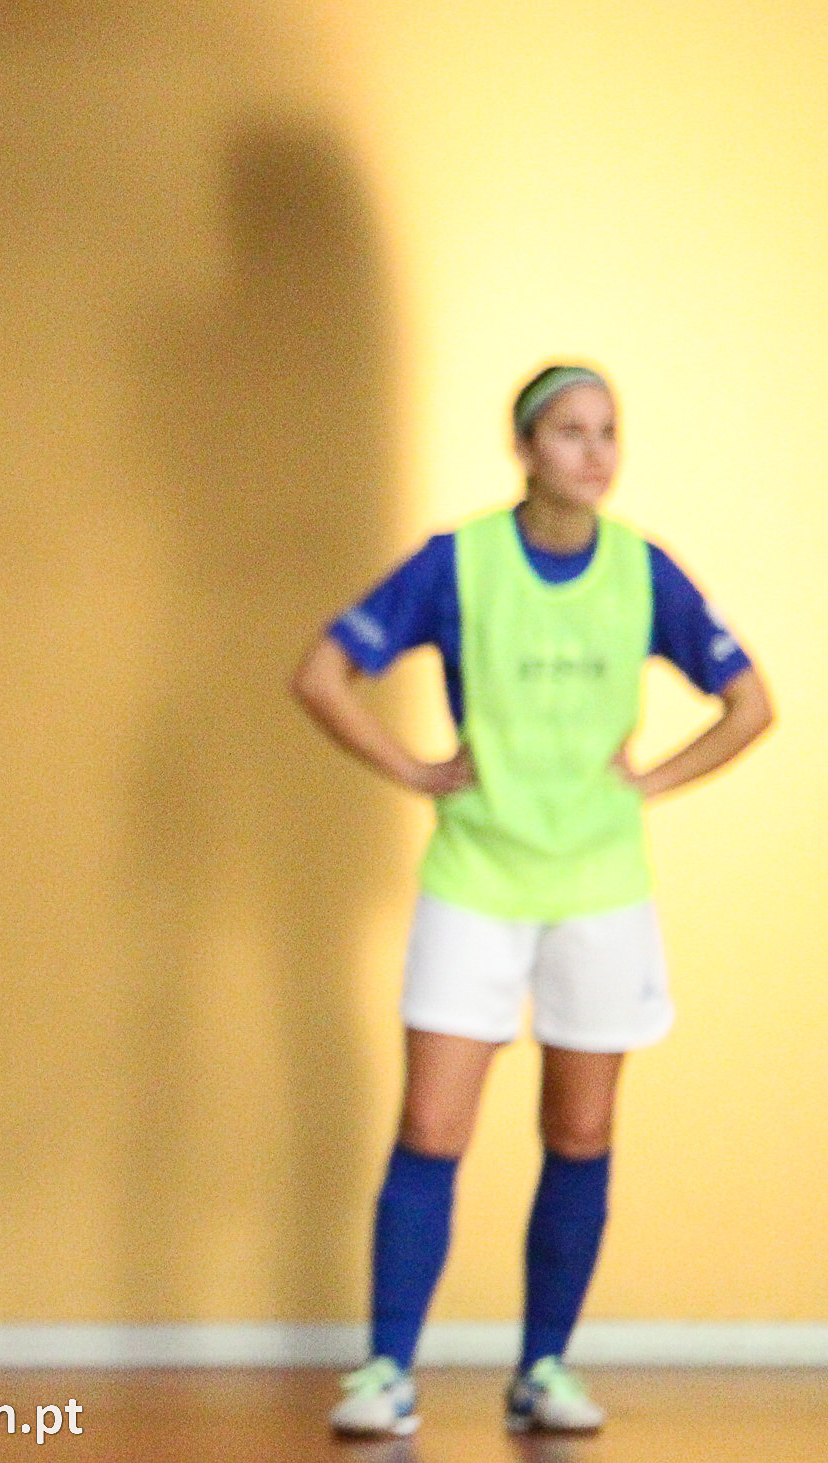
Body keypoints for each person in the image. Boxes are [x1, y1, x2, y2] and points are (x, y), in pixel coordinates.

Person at [291, 364, 772, 1437]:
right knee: (430, 1121)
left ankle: (543, 1366)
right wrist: (414, 770)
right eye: (569, 430)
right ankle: (383, 1369)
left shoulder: (643, 572)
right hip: (477, 876)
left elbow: (749, 703)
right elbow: (320, 674)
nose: (593, 451)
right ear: (523, 446)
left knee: (581, 1127)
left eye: (607, 430)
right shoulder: (454, 563)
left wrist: (648, 781)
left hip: (598, 889)